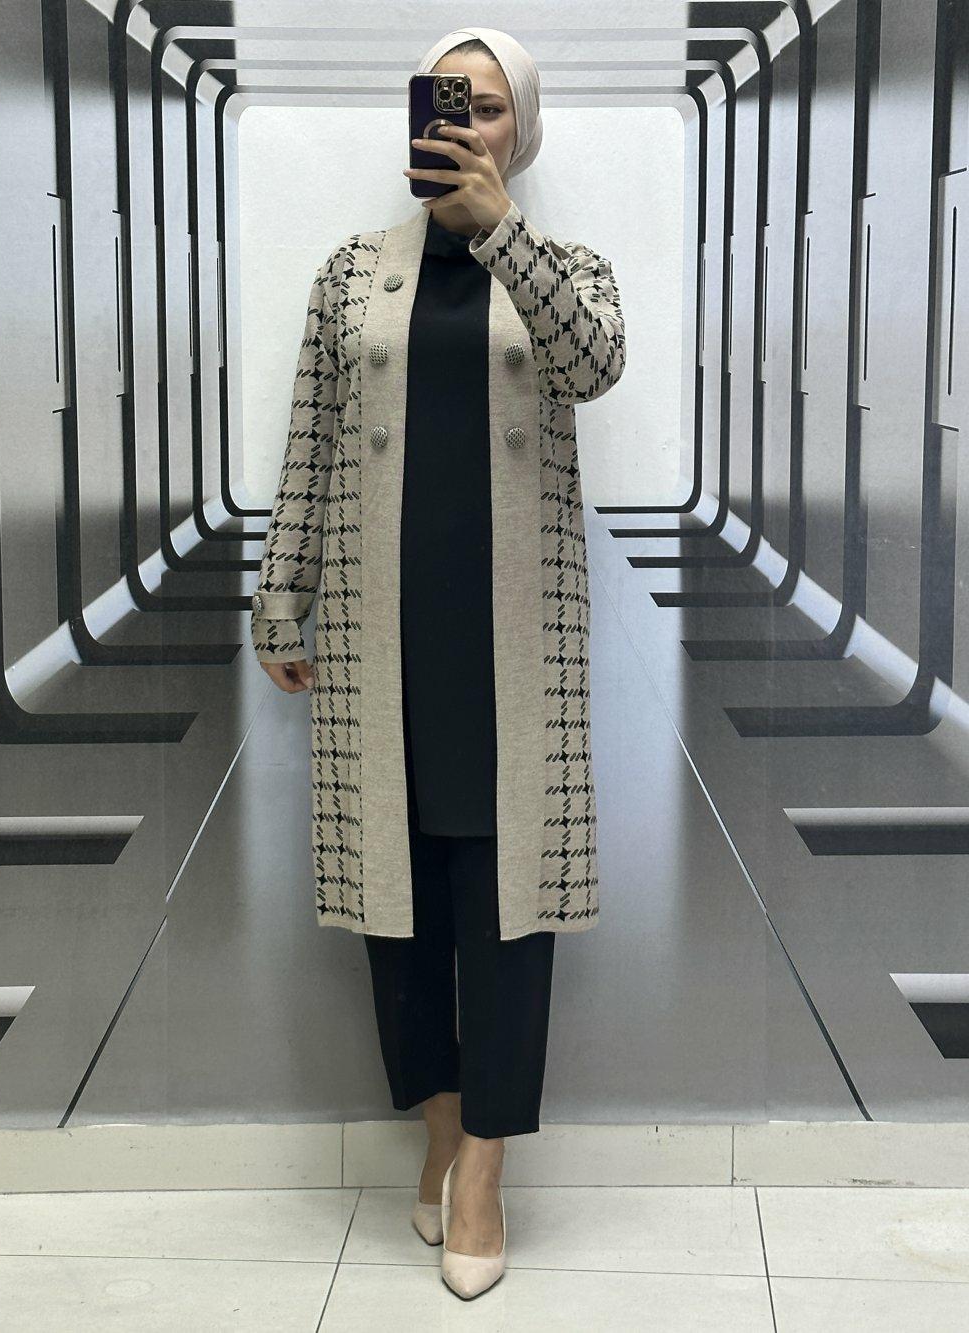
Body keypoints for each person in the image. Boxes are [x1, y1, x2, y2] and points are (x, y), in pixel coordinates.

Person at [251, 25, 626, 1301]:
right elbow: (311, 438)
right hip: (379, 636)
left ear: (523, 127)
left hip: (514, 641)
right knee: (395, 898)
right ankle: (439, 1127)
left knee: (508, 906)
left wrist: (501, 229)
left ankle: (483, 1172)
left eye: (490, 105)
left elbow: (595, 366)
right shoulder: (351, 274)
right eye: (445, 101)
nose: (465, 123)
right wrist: (282, 597)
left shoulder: (565, 269)